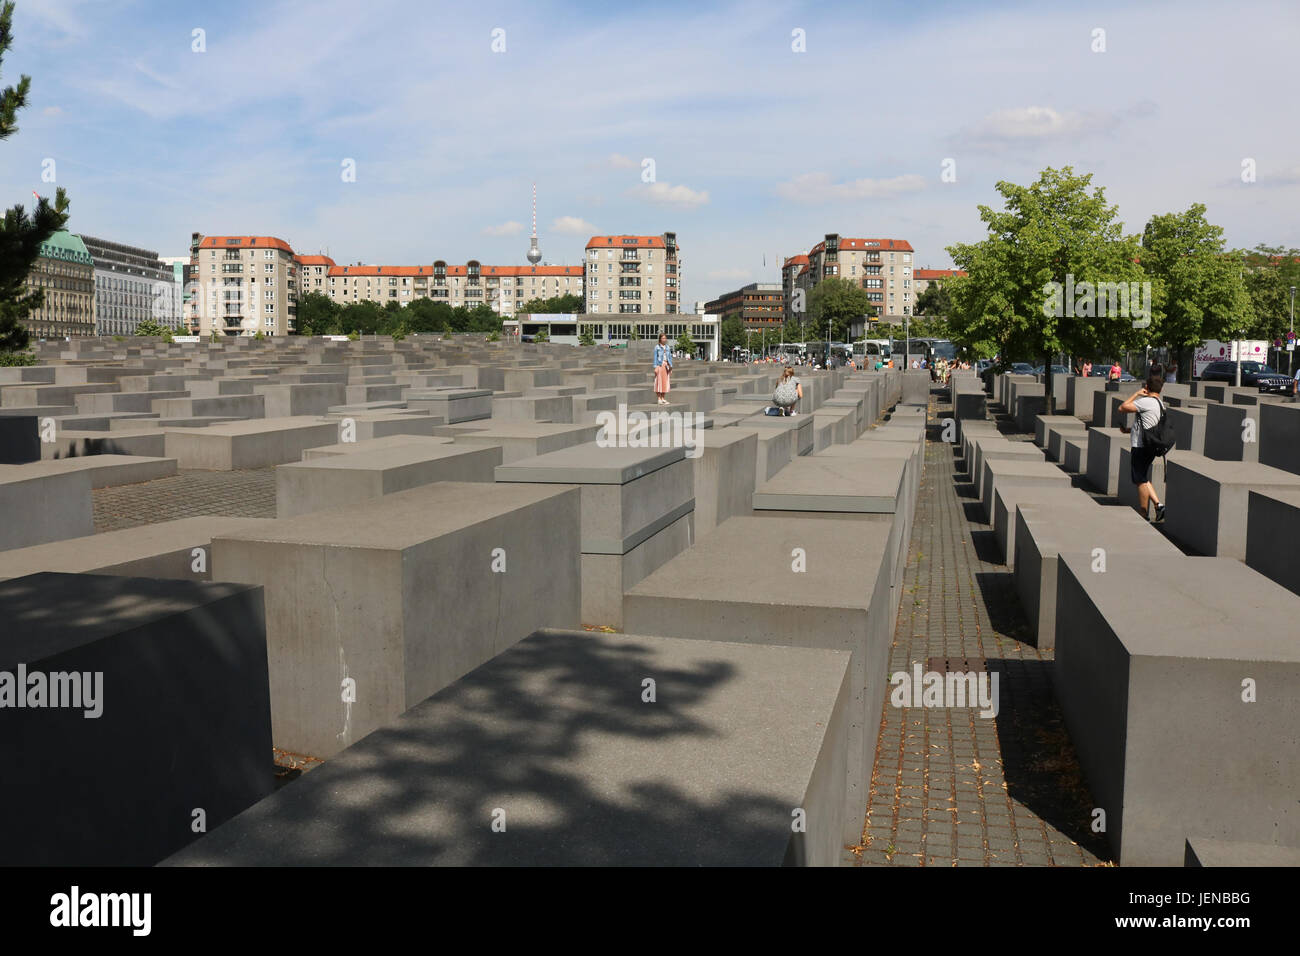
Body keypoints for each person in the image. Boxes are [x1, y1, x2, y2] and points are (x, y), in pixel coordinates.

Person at [1119, 374, 1166, 523]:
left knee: (1139, 480)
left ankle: (1144, 513)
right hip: (1150, 445)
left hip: (1140, 446)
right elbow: (1148, 423)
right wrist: (1128, 430)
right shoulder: (1160, 403)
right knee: (1143, 478)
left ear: (1147, 387)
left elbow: (1122, 407)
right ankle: (1158, 505)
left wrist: (1136, 394)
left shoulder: (1146, 402)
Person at [653, 333, 672, 405]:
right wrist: (655, 367)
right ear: (660, 339)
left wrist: (670, 366)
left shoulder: (667, 347)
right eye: (663, 338)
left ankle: (663, 398)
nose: (664, 339)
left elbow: (669, 357)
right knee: (658, 382)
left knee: (665, 382)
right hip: (659, 365)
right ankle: (659, 398)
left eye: (665, 338)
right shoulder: (657, 347)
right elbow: (655, 357)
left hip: (666, 365)